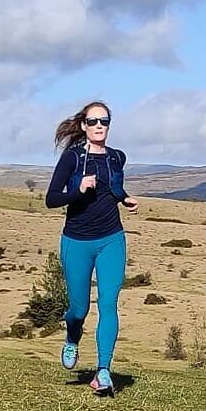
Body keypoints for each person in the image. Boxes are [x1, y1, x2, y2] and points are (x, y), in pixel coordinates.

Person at [45, 100, 138, 394]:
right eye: (94, 121)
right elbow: (51, 199)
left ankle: (103, 371)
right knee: (79, 309)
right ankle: (72, 337)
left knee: (108, 304)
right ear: (84, 125)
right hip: (77, 241)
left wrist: (124, 199)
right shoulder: (72, 159)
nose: (99, 126)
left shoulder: (116, 158)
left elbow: (115, 186)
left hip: (112, 238)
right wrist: (78, 190)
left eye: (105, 121)